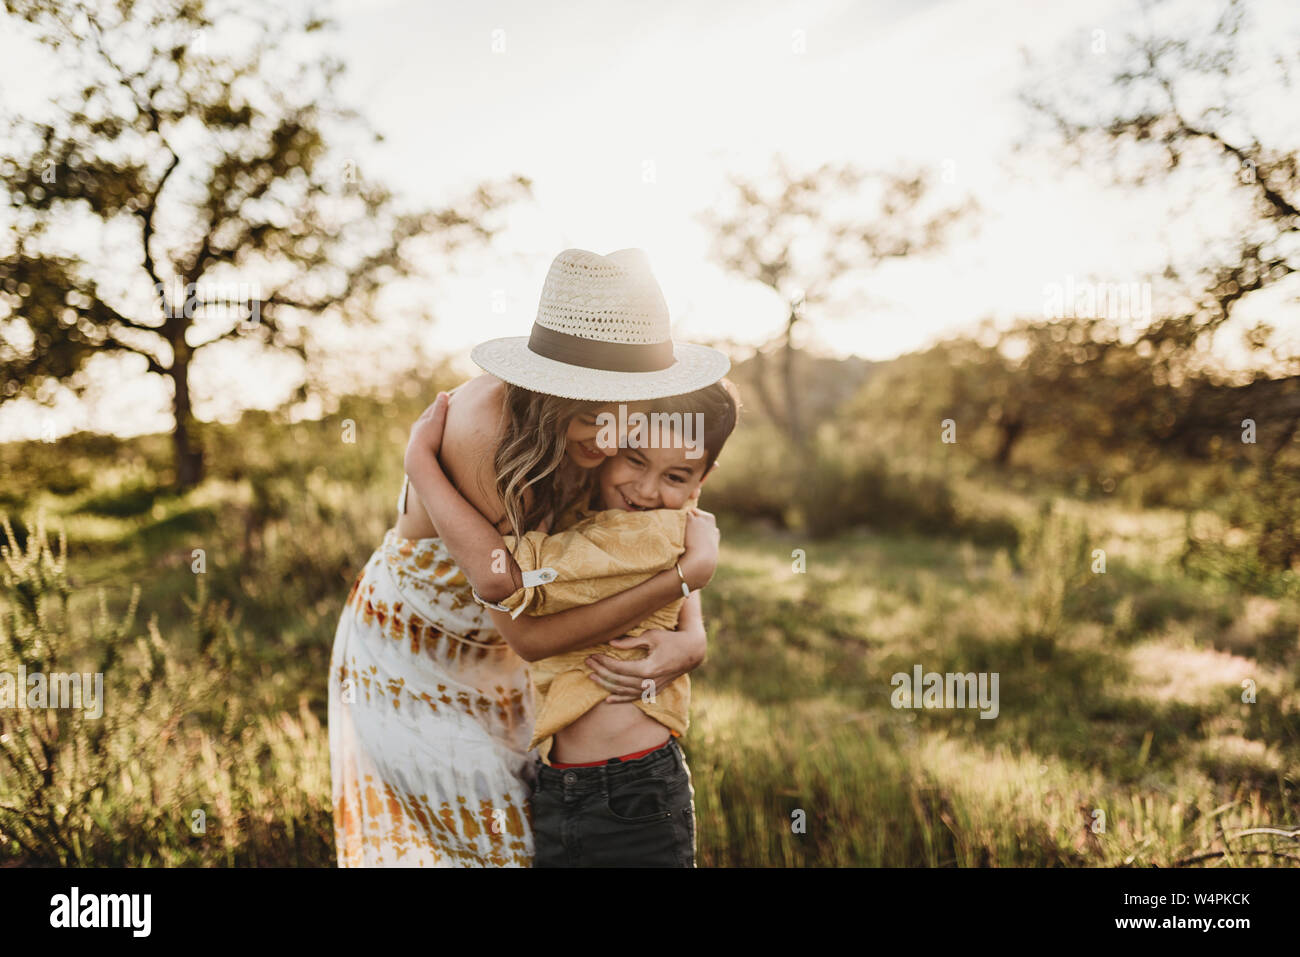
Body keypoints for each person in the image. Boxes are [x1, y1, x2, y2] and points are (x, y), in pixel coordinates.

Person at [328, 247, 729, 866]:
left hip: (515, 647)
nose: (612, 438)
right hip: (425, 648)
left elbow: (653, 531)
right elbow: (523, 624)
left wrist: (692, 634)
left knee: (520, 837)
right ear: (551, 388)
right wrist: (421, 469)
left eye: (630, 413)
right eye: (593, 412)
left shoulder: (625, 432)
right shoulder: (487, 435)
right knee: (469, 850)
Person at [405, 378, 740, 866]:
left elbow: (507, 579)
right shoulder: (611, 520)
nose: (645, 490)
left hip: (628, 785)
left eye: (674, 476)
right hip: (570, 780)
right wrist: (689, 598)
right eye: (635, 459)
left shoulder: (644, 534)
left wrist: (422, 467)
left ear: (699, 483)